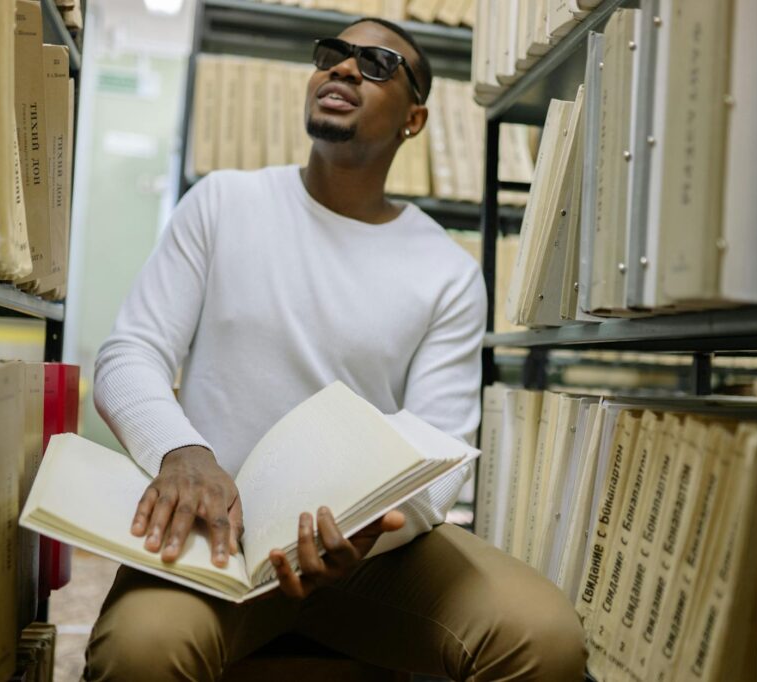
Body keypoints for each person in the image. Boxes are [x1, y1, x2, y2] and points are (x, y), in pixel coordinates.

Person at [84, 16, 587, 681]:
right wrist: (183, 453)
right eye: (334, 55)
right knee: (139, 650)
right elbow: (130, 354)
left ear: (415, 119)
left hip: (372, 556)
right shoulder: (222, 204)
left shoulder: (447, 270)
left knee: (544, 637)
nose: (345, 69)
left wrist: (370, 527)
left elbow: (439, 447)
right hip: (220, 538)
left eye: (378, 64)